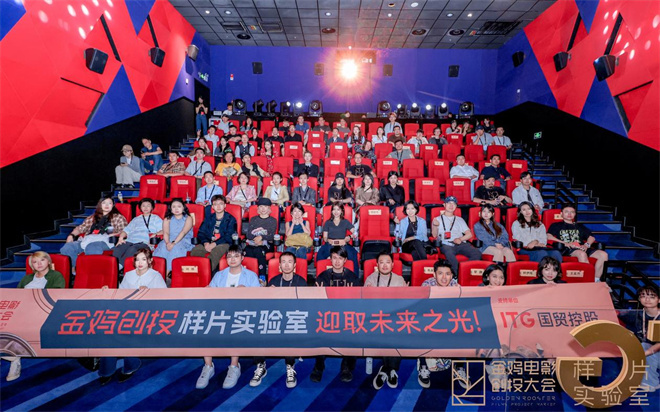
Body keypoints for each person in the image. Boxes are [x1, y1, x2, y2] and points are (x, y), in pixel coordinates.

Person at [196, 245, 261, 390]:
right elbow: (210, 293)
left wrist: (247, 292)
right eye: (229, 256)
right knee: (204, 324)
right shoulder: (219, 275)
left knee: (235, 325)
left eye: (236, 256)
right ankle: (208, 366)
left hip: (242, 313)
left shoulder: (250, 276)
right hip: (220, 312)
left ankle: (234, 366)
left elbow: (258, 299)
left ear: (242, 258)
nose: (232, 259)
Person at [99, 248, 166, 385]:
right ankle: (107, 370)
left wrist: (149, 293)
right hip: (127, 311)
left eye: (143, 259)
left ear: (150, 261)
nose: (140, 263)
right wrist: (109, 291)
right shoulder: (129, 275)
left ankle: (131, 364)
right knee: (109, 328)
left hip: (147, 314)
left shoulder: (156, 276)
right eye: (137, 260)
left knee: (126, 330)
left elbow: (165, 299)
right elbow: (121, 294)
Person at [6, 252, 66, 381]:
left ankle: (14, 360)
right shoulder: (27, 279)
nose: (38, 264)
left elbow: (55, 296)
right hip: (23, 309)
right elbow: (16, 295)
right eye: (34, 262)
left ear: (48, 262)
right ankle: (11, 356)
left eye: (42, 260)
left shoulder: (56, 276)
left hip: (43, 310)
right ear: (31, 265)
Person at [251, 252, 307, 389]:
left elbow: (304, 307)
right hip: (276, 317)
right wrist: (268, 293)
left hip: (294, 318)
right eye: (283, 262)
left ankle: (290, 365)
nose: (287, 265)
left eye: (290, 262)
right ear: (279, 266)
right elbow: (268, 306)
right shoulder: (274, 281)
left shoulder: (301, 282)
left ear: (295, 265)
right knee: (258, 328)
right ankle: (261, 365)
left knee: (290, 329)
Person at [417, 260, 469, 389]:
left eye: (447, 274)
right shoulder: (426, 285)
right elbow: (421, 309)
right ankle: (423, 366)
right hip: (430, 321)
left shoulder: (456, 287)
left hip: (449, 321)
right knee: (421, 329)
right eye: (440, 273)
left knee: (463, 329)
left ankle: (459, 367)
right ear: (434, 274)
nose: (444, 277)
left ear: (452, 276)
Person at [312, 246, 360, 383]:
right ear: (330, 259)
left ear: (345, 260)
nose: (337, 261)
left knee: (354, 331)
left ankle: (346, 367)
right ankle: (319, 366)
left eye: (340, 258)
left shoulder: (352, 277)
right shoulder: (323, 276)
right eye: (334, 258)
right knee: (319, 330)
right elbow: (316, 303)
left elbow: (358, 303)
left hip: (346, 316)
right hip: (328, 315)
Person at [365, 252, 405, 390]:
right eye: (381, 262)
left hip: (394, 318)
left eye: (388, 262)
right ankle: (391, 369)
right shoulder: (371, 278)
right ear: (377, 265)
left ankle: (386, 369)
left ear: (393, 264)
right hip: (375, 317)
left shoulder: (399, 280)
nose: (385, 265)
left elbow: (405, 303)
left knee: (395, 331)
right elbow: (366, 303)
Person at [61, 196, 127, 268]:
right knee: (68, 247)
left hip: (106, 241)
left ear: (113, 205)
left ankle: (90, 270)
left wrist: (115, 234)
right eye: (104, 203)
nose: (107, 205)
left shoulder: (118, 217)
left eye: (109, 203)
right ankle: (77, 268)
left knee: (92, 247)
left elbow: (125, 231)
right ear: (100, 205)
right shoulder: (92, 218)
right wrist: (71, 235)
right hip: (88, 240)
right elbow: (80, 228)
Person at [547, 204, 609, 281]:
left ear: (575, 214)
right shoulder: (556, 225)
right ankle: (588, 279)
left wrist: (586, 245)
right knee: (582, 254)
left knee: (603, 255)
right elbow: (548, 236)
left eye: (572, 212)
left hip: (582, 247)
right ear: (561, 214)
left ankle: (596, 280)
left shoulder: (579, 226)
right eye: (566, 212)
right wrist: (564, 243)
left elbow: (591, 237)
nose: (569, 214)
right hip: (567, 249)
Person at [618, 284, 660, 392]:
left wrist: (645, 352)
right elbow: (615, 313)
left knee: (645, 347)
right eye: (643, 296)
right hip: (647, 351)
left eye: (652, 296)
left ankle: (651, 383)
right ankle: (644, 380)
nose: (647, 299)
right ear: (639, 299)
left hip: (652, 351)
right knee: (640, 347)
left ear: (659, 300)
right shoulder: (635, 314)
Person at [431, 196, 482, 274]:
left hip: (460, 243)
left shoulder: (460, 219)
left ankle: (463, 270)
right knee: (450, 255)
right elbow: (434, 235)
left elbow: (469, 234)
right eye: (449, 203)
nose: (451, 205)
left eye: (454, 204)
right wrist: (435, 226)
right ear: (444, 205)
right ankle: (456, 274)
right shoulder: (437, 219)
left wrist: (460, 239)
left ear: (456, 206)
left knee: (477, 253)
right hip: (446, 244)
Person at [189, 195, 236, 271]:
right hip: (209, 241)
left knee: (216, 252)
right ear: (212, 207)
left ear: (225, 205)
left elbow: (228, 236)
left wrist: (214, 244)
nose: (218, 206)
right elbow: (201, 233)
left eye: (221, 204)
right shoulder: (209, 218)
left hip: (223, 243)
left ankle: (206, 272)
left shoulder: (231, 219)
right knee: (195, 251)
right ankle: (199, 271)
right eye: (215, 204)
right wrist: (205, 243)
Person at [113, 198, 163, 267]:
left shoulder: (156, 218)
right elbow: (126, 230)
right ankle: (115, 267)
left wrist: (156, 234)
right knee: (117, 249)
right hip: (130, 240)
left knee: (132, 250)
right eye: (143, 206)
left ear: (152, 207)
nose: (146, 208)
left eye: (148, 205)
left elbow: (164, 230)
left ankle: (119, 267)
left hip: (144, 242)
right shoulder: (135, 219)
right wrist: (121, 238)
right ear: (140, 208)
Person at [316, 205, 359, 275]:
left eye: (338, 209)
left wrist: (349, 237)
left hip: (343, 244)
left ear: (341, 211)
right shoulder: (328, 222)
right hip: (331, 244)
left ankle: (354, 277)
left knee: (353, 255)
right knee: (320, 255)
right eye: (334, 209)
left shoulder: (345, 222)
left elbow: (355, 233)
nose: (336, 212)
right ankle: (321, 277)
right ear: (331, 211)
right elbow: (325, 237)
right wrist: (328, 240)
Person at [153, 199, 194, 272]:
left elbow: (183, 232)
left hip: (183, 239)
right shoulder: (167, 219)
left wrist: (174, 243)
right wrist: (167, 243)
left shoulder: (188, 218)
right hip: (169, 239)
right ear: (171, 209)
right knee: (163, 247)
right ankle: (158, 271)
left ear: (183, 208)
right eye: (174, 207)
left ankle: (169, 271)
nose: (176, 209)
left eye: (179, 206)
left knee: (175, 248)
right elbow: (166, 233)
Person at [243, 198, 277, 280]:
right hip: (253, 243)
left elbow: (271, 235)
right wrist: (256, 239)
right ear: (258, 208)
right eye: (261, 206)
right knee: (247, 250)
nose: (263, 209)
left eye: (265, 207)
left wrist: (261, 237)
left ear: (269, 208)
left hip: (267, 244)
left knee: (259, 250)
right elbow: (248, 235)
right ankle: (249, 277)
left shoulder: (273, 220)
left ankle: (262, 277)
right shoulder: (253, 219)